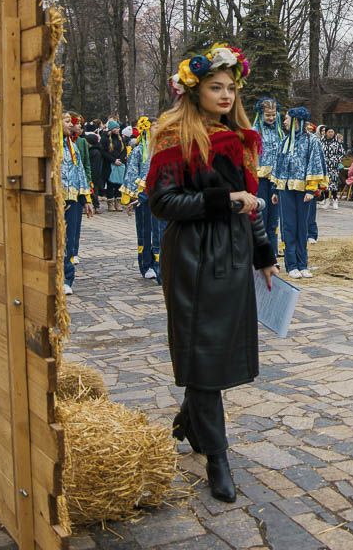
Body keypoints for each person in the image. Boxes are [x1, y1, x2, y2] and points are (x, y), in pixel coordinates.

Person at [146, 42, 277, 504]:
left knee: (216, 353)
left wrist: (264, 252)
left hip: (235, 257)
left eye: (230, 88)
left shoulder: (240, 137)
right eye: (215, 87)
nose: (225, 95)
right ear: (194, 89)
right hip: (192, 259)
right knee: (202, 352)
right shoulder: (171, 135)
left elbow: (251, 203)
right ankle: (217, 456)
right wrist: (223, 201)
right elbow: (162, 204)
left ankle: (189, 419)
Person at [273, 107, 329, 276]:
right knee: (288, 226)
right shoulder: (285, 141)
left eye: (287, 119)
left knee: (302, 226)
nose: (284, 122)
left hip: (304, 190)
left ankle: (302, 264)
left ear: (296, 121)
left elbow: (316, 163)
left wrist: (311, 189)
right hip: (285, 189)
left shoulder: (312, 141)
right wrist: (275, 189)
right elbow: (279, 164)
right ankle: (291, 265)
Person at [124, 116, 163, 280]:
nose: (157, 129)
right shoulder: (139, 150)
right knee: (145, 230)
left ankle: (158, 263)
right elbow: (131, 173)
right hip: (142, 197)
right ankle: (145, 264)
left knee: (159, 231)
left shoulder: (162, 149)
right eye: (154, 126)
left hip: (158, 196)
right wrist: (133, 196)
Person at [61, 112, 94, 295]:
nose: (71, 124)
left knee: (70, 239)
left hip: (73, 200)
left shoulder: (73, 147)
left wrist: (86, 199)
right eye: (66, 121)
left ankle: (67, 277)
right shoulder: (50, 147)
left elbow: (80, 173)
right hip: (57, 199)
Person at [252, 97, 284, 256]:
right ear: (261, 114)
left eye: (273, 114)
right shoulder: (254, 131)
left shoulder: (280, 132)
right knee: (261, 217)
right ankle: (260, 253)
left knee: (274, 219)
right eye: (268, 115)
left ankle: (272, 253)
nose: (271, 118)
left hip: (276, 180)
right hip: (260, 180)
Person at [320, 128, 346, 210]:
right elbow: (318, 152)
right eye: (329, 132)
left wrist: (336, 159)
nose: (331, 133)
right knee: (325, 183)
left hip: (333, 166)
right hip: (324, 166)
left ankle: (335, 200)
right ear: (326, 133)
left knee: (334, 183)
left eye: (332, 132)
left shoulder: (337, 142)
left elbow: (342, 153)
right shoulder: (321, 142)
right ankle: (327, 200)